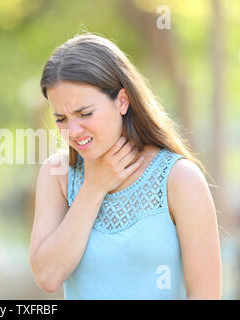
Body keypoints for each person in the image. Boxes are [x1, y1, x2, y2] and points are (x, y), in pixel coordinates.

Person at [29, 32, 222, 299]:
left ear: (122, 100)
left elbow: (205, 295)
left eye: (85, 114)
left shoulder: (179, 179)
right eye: (61, 118)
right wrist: (93, 188)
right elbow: (48, 277)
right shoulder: (57, 175)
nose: (72, 131)